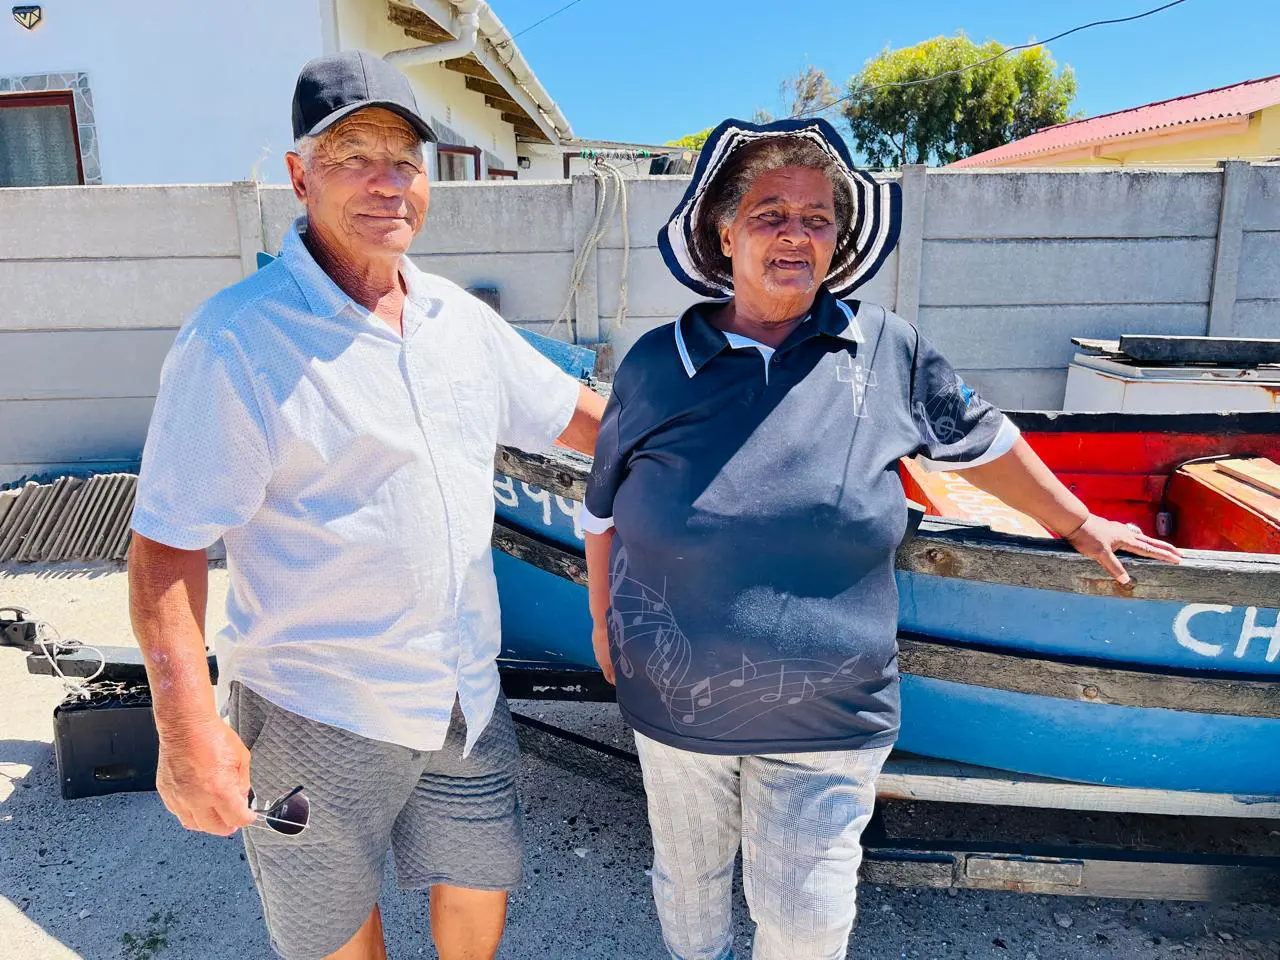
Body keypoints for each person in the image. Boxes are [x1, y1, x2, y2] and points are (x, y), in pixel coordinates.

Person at [581, 117, 1180, 960]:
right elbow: (602, 508)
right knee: (689, 884)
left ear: (838, 237)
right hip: (673, 699)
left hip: (831, 709)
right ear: (724, 231)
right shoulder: (657, 361)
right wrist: (604, 624)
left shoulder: (884, 348)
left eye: (817, 217)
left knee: (807, 919)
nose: (796, 234)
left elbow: (983, 436)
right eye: (769, 213)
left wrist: (1076, 521)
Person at [128, 51, 604, 960]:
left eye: (404, 160)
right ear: (299, 176)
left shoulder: (456, 319)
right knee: (332, 933)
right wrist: (186, 728)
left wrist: (737, 432)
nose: (388, 184)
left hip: (463, 694)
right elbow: (165, 548)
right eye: (352, 158)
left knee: (477, 888)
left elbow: (585, 422)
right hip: (319, 706)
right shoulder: (238, 339)